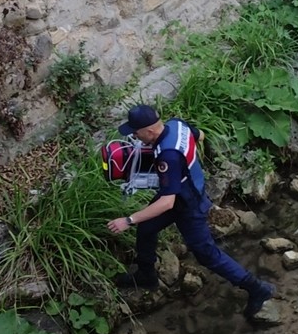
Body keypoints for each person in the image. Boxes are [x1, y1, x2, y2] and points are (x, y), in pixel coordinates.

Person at [105, 104, 275, 320]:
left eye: (136, 133)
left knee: (207, 255)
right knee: (147, 227)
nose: (135, 137)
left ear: (149, 131)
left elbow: (167, 203)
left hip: (187, 204)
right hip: (183, 190)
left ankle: (257, 288)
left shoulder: (168, 155)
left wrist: (128, 220)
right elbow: (200, 136)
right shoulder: (177, 125)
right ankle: (146, 275)